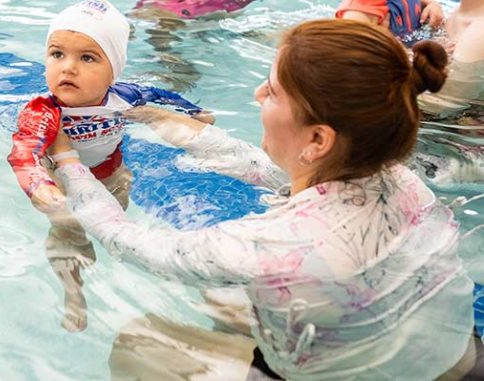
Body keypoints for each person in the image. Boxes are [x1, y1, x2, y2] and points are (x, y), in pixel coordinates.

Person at [46, 19, 475, 380]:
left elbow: (128, 241)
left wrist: (67, 161)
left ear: (318, 140)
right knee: (225, 302)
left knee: (136, 343)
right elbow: (263, 169)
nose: (256, 95)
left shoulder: (275, 246)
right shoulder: (399, 178)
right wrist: (167, 122)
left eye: (271, 92)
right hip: (457, 357)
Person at [8, 0, 209, 332]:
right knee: (68, 230)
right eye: (57, 54)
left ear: (113, 71)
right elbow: (24, 152)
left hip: (112, 172)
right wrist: (38, 185)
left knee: (115, 222)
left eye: (87, 58)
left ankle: (116, 265)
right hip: (62, 183)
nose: (67, 68)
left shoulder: (123, 97)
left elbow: (159, 95)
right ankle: (73, 291)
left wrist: (194, 112)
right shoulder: (44, 110)